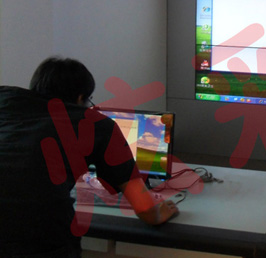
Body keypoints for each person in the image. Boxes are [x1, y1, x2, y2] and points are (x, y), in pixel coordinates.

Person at [0, 57, 178, 257]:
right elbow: (145, 208)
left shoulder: (5, 100)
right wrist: (161, 213)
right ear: (80, 98)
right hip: (40, 242)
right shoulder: (93, 123)